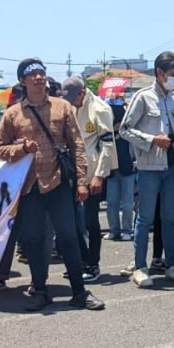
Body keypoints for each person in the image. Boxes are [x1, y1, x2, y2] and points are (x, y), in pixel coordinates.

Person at [0, 58, 104, 311]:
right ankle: (40, 291)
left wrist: (82, 182)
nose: (39, 78)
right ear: (23, 81)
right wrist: (21, 148)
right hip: (29, 189)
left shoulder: (63, 108)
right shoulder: (12, 114)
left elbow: (77, 146)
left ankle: (79, 292)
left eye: (42, 73)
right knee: (33, 240)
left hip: (59, 183)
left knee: (69, 238)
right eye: (33, 75)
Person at [120, 51, 174, 288]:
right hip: (150, 167)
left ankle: (170, 265)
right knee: (145, 218)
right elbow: (124, 130)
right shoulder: (142, 97)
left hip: (173, 166)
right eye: (173, 75)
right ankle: (140, 267)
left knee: (169, 218)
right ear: (160, 73)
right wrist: (152, 140)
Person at [62, 76, 117, 279]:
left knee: (91, 222)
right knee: (73, 223)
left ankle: (93, 264)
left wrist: (99, 176)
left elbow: (107, 145)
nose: (71, 102)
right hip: (73, 171)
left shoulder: (100, 109)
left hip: (93, 172)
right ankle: (80, 262)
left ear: (82, 93)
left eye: (73, 98)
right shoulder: (72, 108)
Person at [105, 101, 135, 241]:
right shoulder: (107, 131)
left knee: (128, 203)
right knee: (111, 202)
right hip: (111, 169)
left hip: (128, 169)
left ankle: (127, 230)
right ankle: (113, 229)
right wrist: (112, 129)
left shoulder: (128, 131)